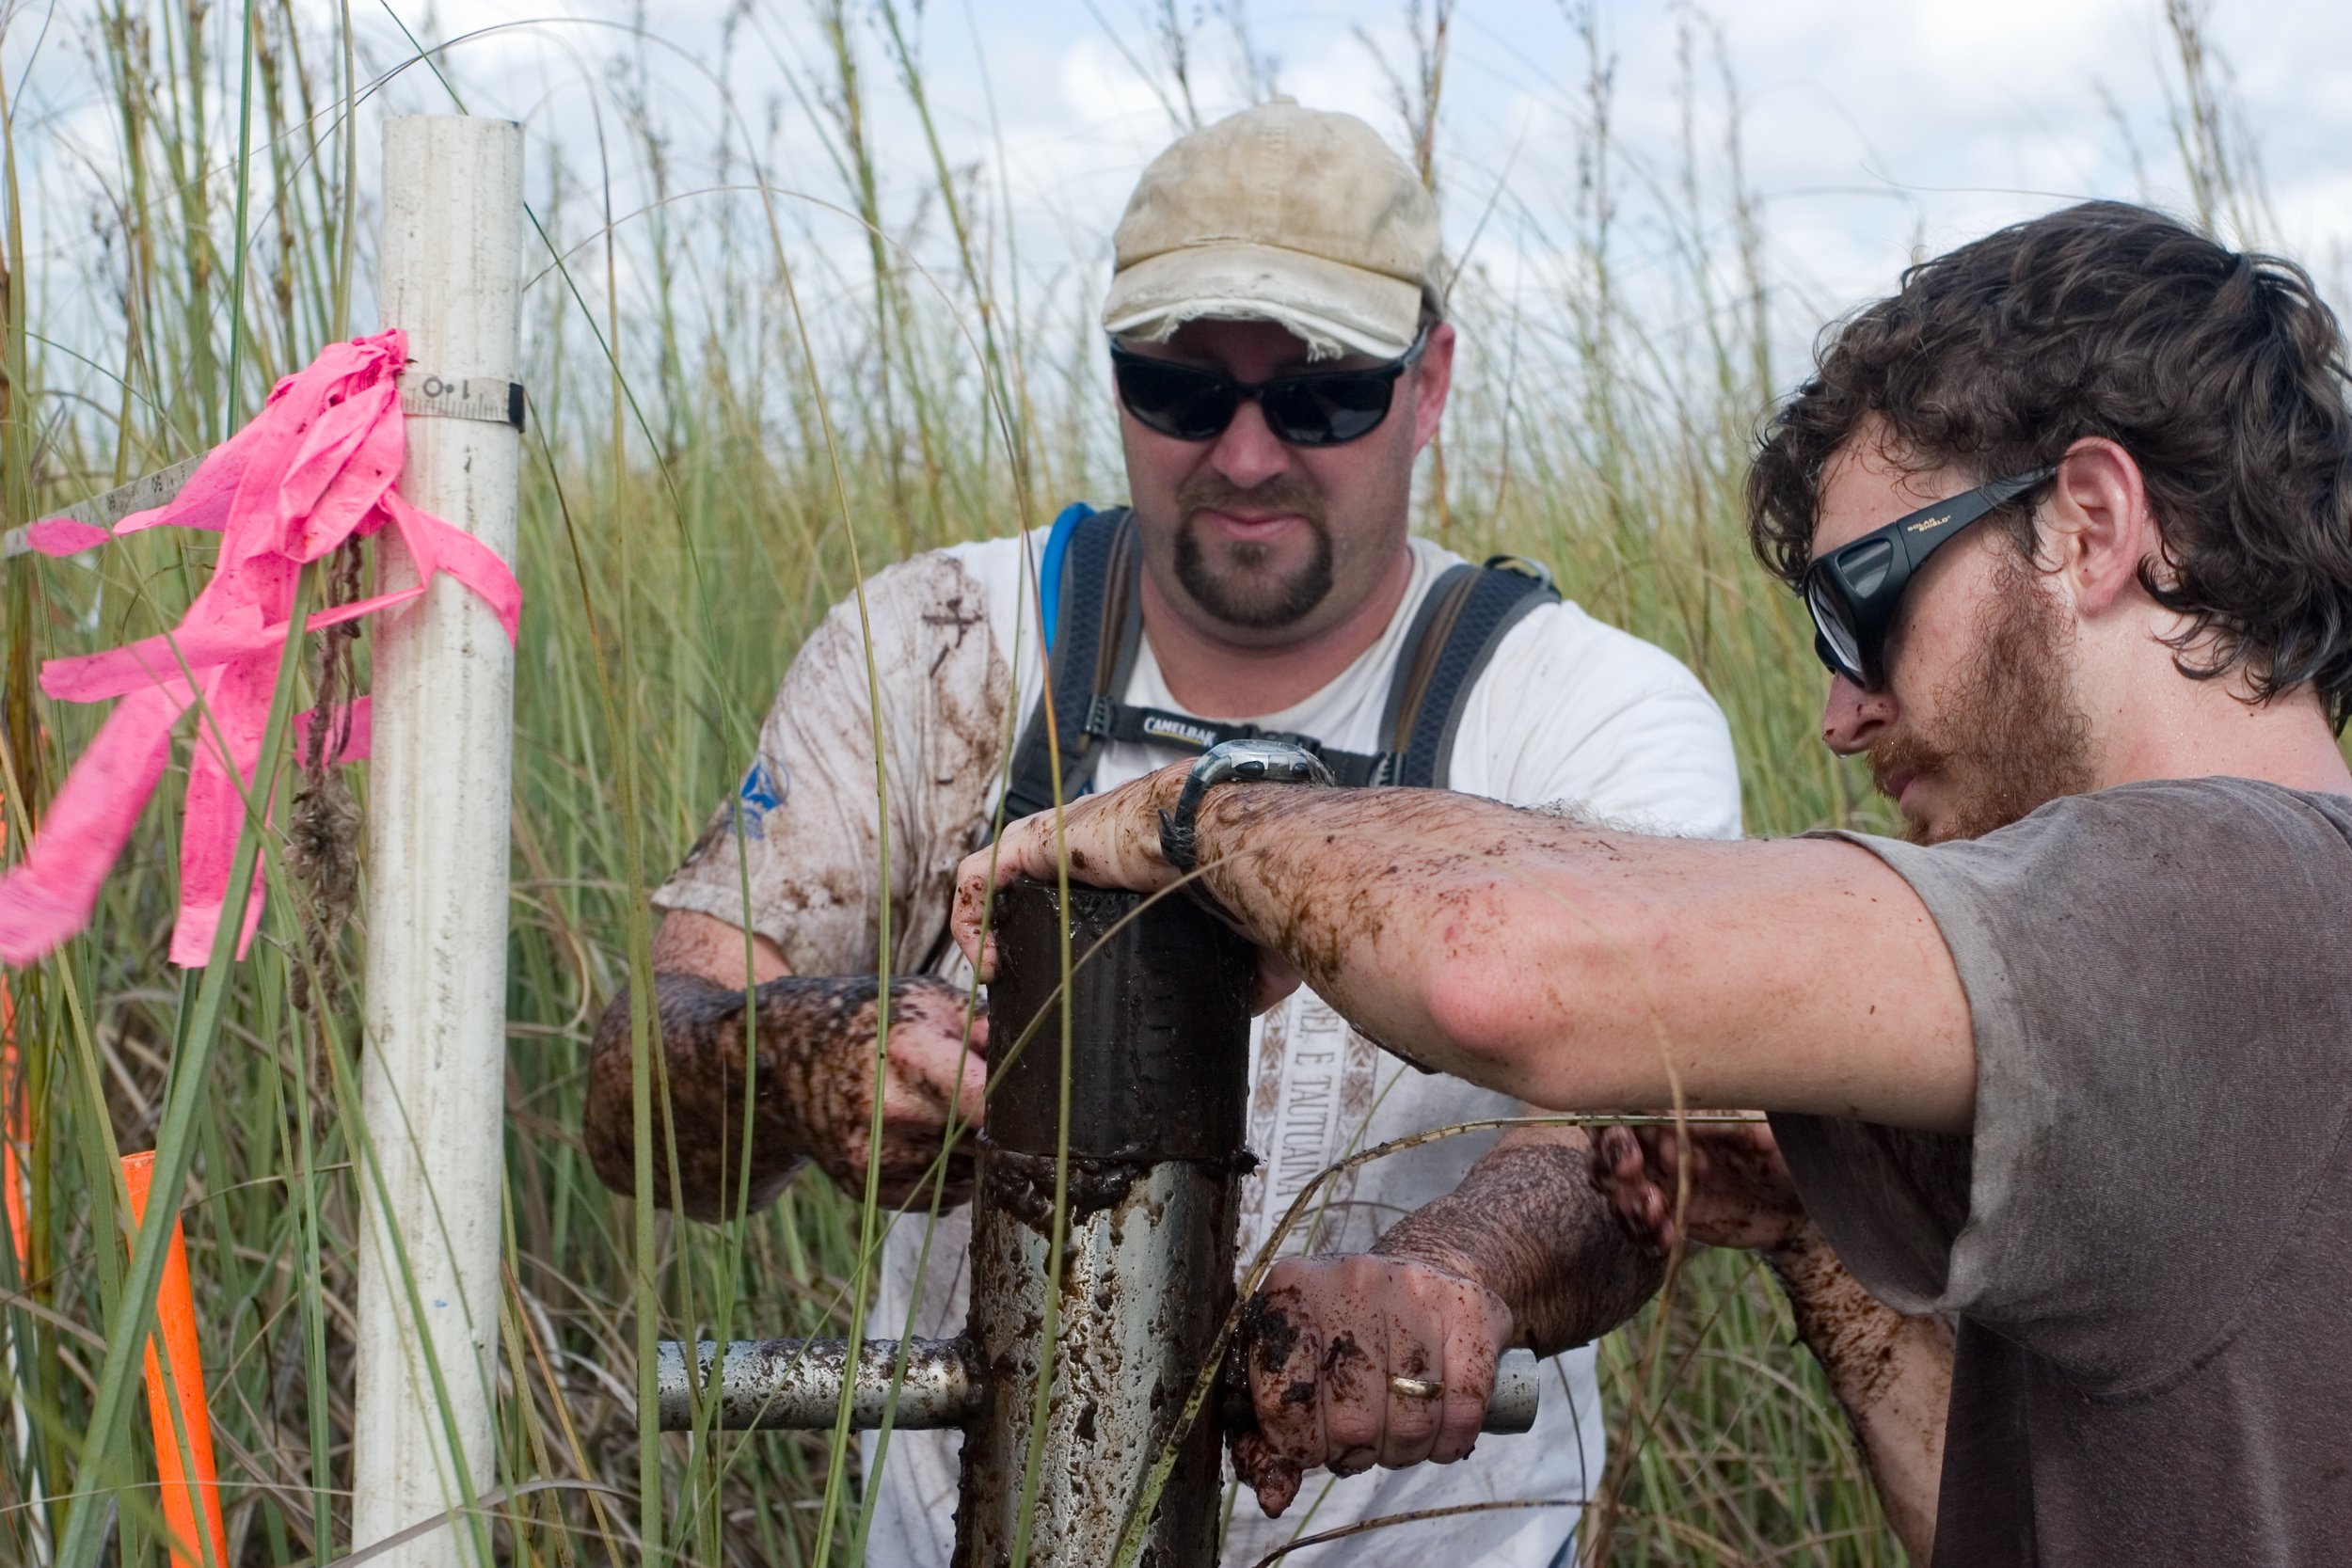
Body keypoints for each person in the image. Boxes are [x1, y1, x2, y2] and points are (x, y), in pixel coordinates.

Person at [956, 199, 2352, 1565]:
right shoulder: (2244, 954)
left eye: (1865, 603)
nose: (1841, 712)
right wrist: (1817, 1245)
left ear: (2095, 527)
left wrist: (1196, 814)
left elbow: (1504, 969)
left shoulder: (2215, 896)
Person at [579, 100, 1741, 1567]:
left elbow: (1633, 1153)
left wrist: (1447, 1277)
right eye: (1180, 390)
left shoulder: (1587, 711)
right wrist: (805, 1055)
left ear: (1430, 380)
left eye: (1321, 396)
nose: (1247, 456)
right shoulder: (941, 646)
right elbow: (637, 1088)